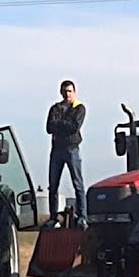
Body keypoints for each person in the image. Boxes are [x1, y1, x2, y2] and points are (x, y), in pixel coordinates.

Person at [45, 80, 87, 227]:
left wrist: (60, 123)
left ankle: (82, 216)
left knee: (78, 183)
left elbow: (74, 126)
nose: (67, 94)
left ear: (74, 92)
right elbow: (49, 127)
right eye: (64, 91)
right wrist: (64, 123)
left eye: (69, 91)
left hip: (72, 149)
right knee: (53, 185)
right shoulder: (55, 108)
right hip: (56, 150)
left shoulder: (79, 108)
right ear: (60, 92)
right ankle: (53, 217)